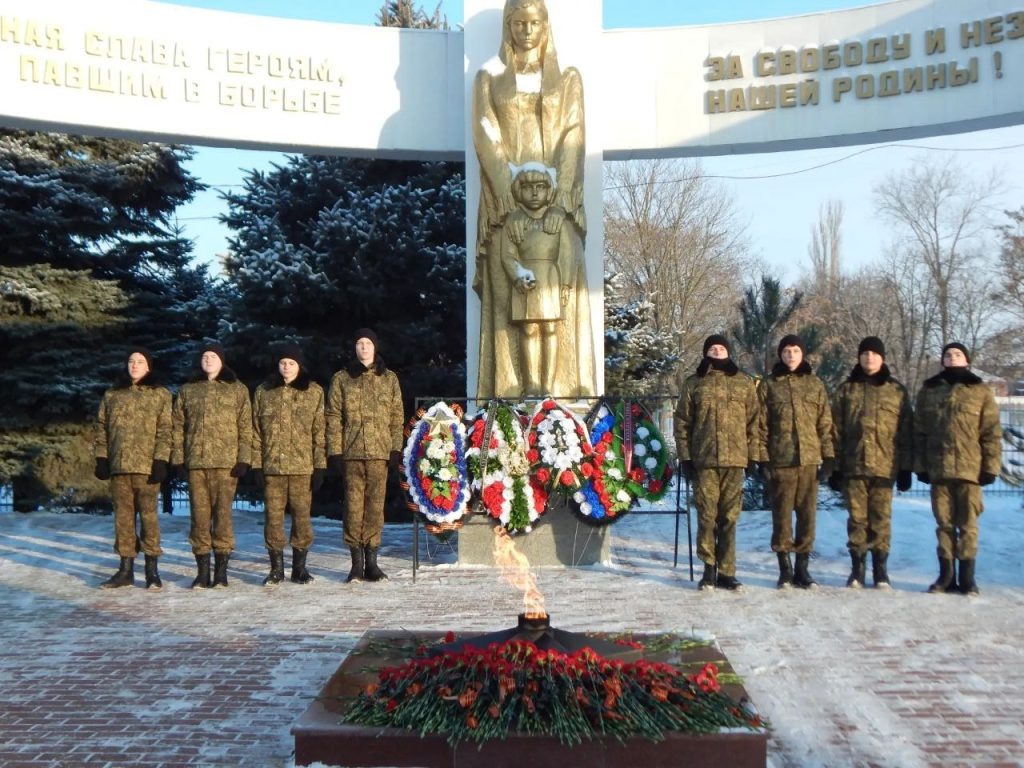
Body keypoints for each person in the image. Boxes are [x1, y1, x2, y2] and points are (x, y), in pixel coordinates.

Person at [472, 0, 595, 399]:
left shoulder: (568, 79)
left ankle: (566, 393)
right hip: (505, 207)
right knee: (511, 305)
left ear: (546, 28)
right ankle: (508, 393)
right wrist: (512, 201)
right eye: (518, 22)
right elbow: (486, 136)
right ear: (508, 27)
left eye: (534, 23)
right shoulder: (488, 79)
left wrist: (556, 202)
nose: (526, 30)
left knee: (562, 301)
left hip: (557, 209)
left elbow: (573, 135)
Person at [674, 334, 762, 591]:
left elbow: (754, 422)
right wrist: (686, 457)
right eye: (712, 348)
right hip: (705, 460)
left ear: (729, 352)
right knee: (707, 517)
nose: (717, 351)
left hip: (735, 461)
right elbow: (682, 423)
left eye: (721, 348)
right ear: (706, 353)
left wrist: (753, 456)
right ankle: (708, 570)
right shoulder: (694, 384)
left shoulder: (744, 383)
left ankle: (727, 572)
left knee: (729, 517)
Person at [914, 342, 1002, 596]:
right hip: (939, 468)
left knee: (968, 525)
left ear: (967, 359)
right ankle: (946, 575)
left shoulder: (980, 391)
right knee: (944, 524)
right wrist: (921, 466)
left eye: (958, 354)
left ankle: (967, 578)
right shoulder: (929, 390)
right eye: (948, 354)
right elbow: (919, 431)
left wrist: (990, 467)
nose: (952, 358)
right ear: (942, 360)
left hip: (970, 470)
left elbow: (991, 432)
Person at [829, 337, 913, 589]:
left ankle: (880, 570)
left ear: (882, 358)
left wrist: (906, 468)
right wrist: (835, 467)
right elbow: (834, 431)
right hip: (854, 467)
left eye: (874, 354)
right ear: (858, 358)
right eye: (864, 354)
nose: (869, 358)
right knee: (857, 519)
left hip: (885, 467)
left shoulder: (896, 391)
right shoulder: (847, 390)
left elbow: (906, 431)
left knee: (881, 519)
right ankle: (857, 569)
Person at [502, 164, 591, 397]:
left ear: (549, 190)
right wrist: (517, 275)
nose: (534, 193)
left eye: (540, 187)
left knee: (550, 329)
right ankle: (531, 384)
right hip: (526, 283)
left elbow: (567, 254)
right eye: (528, 187)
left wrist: (566, 284)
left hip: (551, 277)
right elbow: (507, 255)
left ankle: (548, 384)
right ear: (518, 191)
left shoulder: (558, 220)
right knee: (529, 330)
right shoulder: (514, 221)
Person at [171, 344, 252, 589]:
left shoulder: (237, 390)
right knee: (199, 517)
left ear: (222, 361)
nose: (208, 360)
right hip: (197, 462)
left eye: (213, 356)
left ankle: (221, 571)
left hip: (226, 465)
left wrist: (244, 458)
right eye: (205, 356)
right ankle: (202, 572)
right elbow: (177, 427)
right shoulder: (188, 390)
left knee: (223, 517)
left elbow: (246, 426)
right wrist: (178, 459)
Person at [326, 329, 404, 583]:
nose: (364, 347)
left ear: (375, 347)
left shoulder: (389, 378)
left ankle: (372, 562)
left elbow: (396, 416)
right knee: (353, 508)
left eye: (368, 343)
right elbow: (333, 416)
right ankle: (355, 564)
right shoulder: (342, 379)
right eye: (359, 343)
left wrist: (395, 448)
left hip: (380, 453)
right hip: (352, 452)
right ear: (355, 348)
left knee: (374, 508)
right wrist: (335, 450)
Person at [759, 334, 834, 589]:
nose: (791, 355)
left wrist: (829, 457)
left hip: (809, 460)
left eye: (795, 351)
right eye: (787, 351)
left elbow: (825, 423)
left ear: (803, 354)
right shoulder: (769, 385)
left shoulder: (815, 385)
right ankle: (785, 570)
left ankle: (803, 569)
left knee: (807, 516)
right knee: (781, 517)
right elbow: (761, 425)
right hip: (781, 460)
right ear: (780, 355)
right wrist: (763, 460)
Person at [94, 349, 172, 590]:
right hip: (119, 466)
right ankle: (125, 569)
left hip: (146, 468)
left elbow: (166, 429)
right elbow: (101, 427)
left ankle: (152, 571)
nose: (135, 366)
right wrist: (101, 458)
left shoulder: (159, 394)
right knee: (123, 520)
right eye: (131, 361)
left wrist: (160, 460)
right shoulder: (112, 394)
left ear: (148, 366)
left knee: (149, 519)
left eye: (140, 362)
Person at [251, 344, 326, 586]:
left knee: (302, 518)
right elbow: (255, 431)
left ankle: (299, 569)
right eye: (283, 362)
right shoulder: (264, 392)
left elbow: (319, 431)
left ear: (299, 366)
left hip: (303, 468)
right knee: (273, 519)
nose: (286, 366)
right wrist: (256, 464)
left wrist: (320, 465)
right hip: (273, 467)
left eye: (291, 363)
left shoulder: (313, 392)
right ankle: (276, 569)